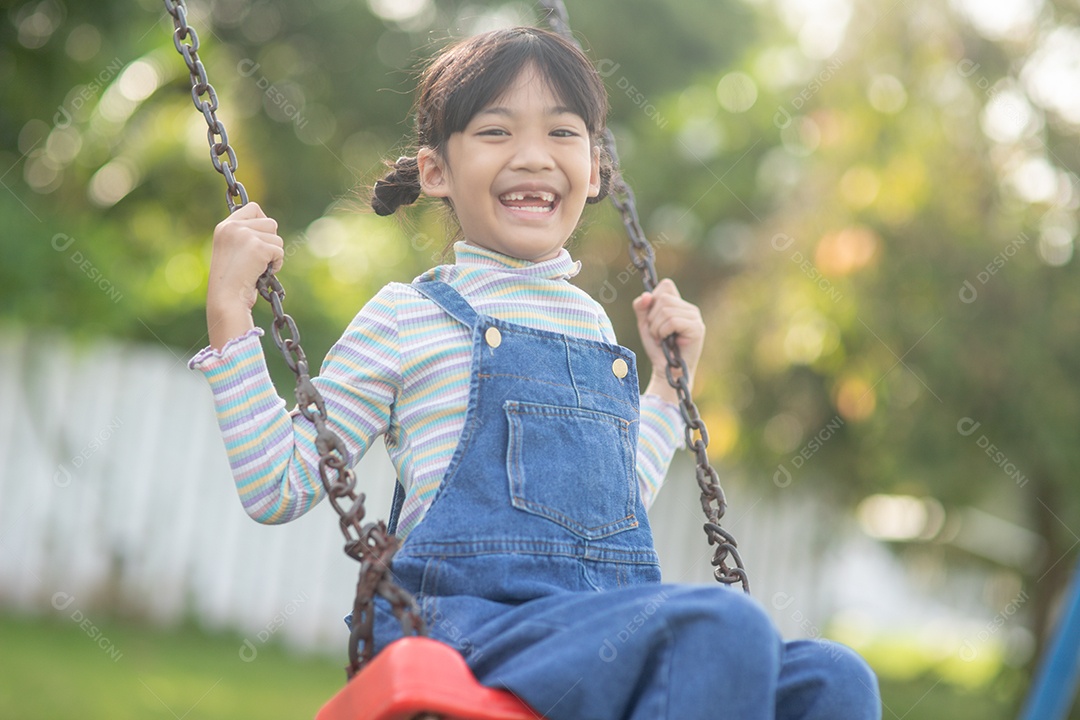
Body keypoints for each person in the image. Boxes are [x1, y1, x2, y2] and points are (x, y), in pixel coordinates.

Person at [190, 25, 880, 720]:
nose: (532, 157)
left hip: (595, 624)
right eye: (495, 132)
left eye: (562, 133)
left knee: (834, 677)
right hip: (468, 625)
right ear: (436, 171)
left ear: (597, 167)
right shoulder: (408, 317)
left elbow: (607, 508)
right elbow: (277, 486)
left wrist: (668, 393)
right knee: (720, 628)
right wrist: (230, 315)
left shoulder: (593, 327)